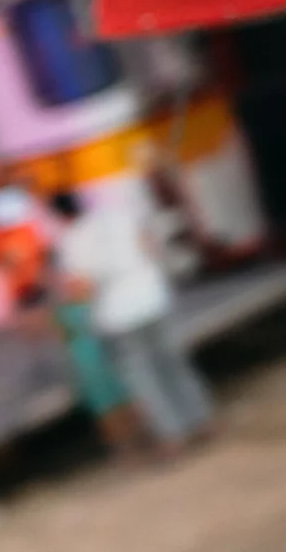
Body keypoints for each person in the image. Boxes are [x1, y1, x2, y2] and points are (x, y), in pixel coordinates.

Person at [50, 187, 214, 453]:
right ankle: (201, 420)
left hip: (116, 315)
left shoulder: (71, 241)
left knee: (143, 376)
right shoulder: (118, 216)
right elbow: (149, 245)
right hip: (151, 298)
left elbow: (81, 288)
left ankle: (173, 433)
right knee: (171, 362)